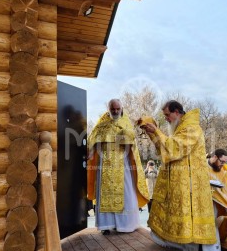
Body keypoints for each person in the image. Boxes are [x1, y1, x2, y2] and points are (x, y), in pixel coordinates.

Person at [142, 100, 217, 250]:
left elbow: (174, 149)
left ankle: (188, 244)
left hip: (189, 183)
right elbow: (165, 151)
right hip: (177, 181)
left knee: (186, 215)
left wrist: (156, 131)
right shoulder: (180, 129)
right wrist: (152, 133)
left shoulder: (192, 128)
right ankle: (173, 241)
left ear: (177, 112)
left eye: (167, 115)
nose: (166, 118)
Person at [87, 99, 149, 235]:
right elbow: (93, 140)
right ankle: (106, 225)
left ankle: (125, 225)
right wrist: (91, 153)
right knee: (104, 194)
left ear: (121, 108)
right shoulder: (102, 124)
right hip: (105, 165)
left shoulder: (126, 123)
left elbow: (131, 144)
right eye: (112, 109)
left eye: (117, 109)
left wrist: (126, 137)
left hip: (123, 164)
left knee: (126, 192)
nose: (115, 111)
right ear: (108, 108)